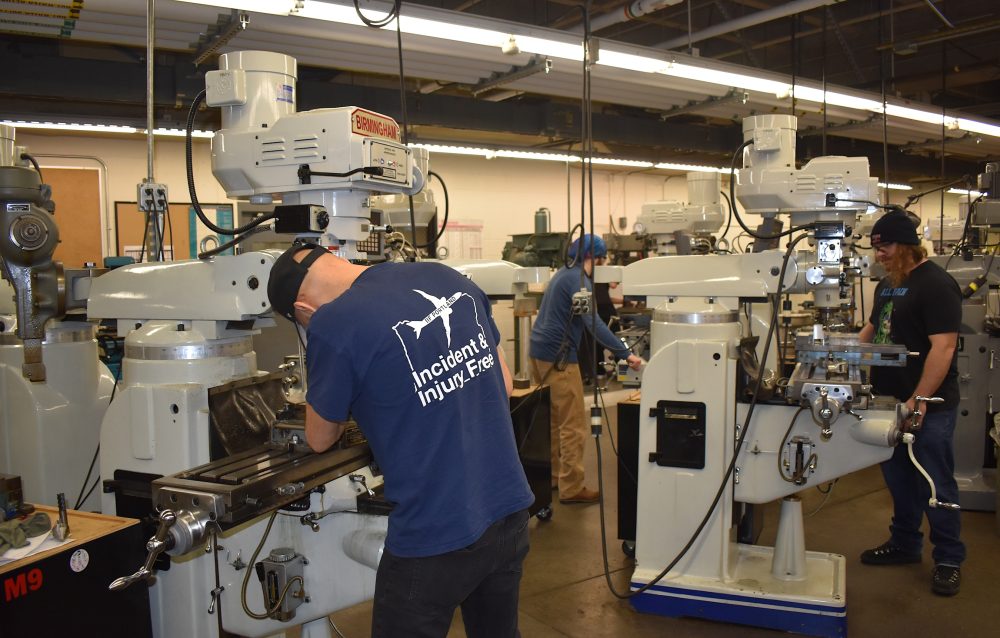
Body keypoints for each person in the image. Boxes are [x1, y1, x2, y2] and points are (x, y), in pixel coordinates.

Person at [267, 241, 535, 637]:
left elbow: (320, 437)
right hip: (508, 515)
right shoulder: (444, 276)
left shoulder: (333, 322)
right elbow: (506, 383)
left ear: (304, 310)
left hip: (433, 537)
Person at [858, 211, 965, 597]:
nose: (880, 255)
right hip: (888, 402)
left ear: (905, 245)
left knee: (935, 483)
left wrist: (918, 401)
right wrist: (840, 361)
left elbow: (945, 346)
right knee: (900, 482)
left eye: (885, 247)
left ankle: (949, 559)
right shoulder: (888, 285)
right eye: (876, 248)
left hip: (927, 406)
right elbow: (872, 330)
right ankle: (905, 544)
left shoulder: (936, 284)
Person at [529, 234, 642, 504]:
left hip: (539, 352)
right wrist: (625, 354)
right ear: (597, 257)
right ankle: (572, 487)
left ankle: (556, 477)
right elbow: (594, 323)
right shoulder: (579, 280)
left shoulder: (562, 274)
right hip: (559, 358)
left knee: (554, 422)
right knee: (573, 425)